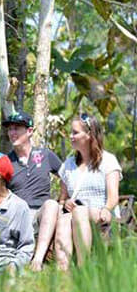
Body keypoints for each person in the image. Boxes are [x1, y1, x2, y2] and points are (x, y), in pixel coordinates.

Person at [54, 113, 122, 269]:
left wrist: (107, 209)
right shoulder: (68, 164)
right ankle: (63, 271)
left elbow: (113, 196)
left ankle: (83, 269)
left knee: (79, 212)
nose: (70, 136)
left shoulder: (108, 160)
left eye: (75, 132)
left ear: (90, 134)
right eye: (71, 132)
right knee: (64, 218)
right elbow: (62, 199)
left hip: (101, 212)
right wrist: (66, 203)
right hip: (75, 213)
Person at [1, 110, 62, 271]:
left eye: (17, 128)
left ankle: (38, 260)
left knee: (51, 205)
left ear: (29, 131)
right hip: (18, 214)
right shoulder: (5, 161)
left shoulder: (45, 155)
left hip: (42, 214)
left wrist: (64, 199)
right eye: (10, 129)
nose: (12, 133)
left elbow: (67, 176)